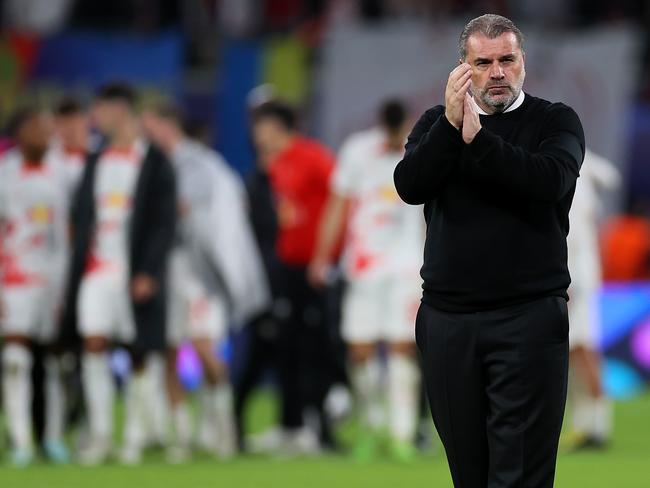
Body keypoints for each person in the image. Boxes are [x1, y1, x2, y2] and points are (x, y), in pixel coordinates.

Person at [393, 14, 585, 487]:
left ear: (523, 63)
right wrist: (452, 128)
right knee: (468, 474)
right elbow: (409, 185)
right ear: (464, 68)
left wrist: (478, 141)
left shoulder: (554, 120)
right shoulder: (436, 124)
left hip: (526, 318)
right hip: (447, 322)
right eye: (484, 62)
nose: (497, 71)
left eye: (507, 60)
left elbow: (549, 180)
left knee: (519, 475)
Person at [141, 102, 269, 462]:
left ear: (168, 126)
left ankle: (221, 424)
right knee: (170, 351)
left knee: (202, 347)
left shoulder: (198, 165)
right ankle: (181, 436)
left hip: (199, 275)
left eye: (151, 128)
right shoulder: (150, 166)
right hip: (167, 272)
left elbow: (201, 218)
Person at [60, 83, 177, 465]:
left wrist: (148, 271)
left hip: (134, 271)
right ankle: (101, 434)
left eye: (101, 109)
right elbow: (81, 215)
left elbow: (163, 223)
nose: (96, 117)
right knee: (93, 344)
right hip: (97, 270)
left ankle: (135, 435)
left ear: (121, 110)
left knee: (139, 351)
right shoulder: (97, 160)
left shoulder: (155, 162)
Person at [309, 99, 423, 462]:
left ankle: (402, 433)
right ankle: (372, 425)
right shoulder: (357, 152)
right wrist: (321, 256)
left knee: (403, 348)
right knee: (359, 350)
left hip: (407, 267)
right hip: (362, 266)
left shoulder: (421, 150)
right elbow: (337, 205)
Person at [248, 100, 336, 454]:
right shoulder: (274, 165)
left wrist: (325, 257)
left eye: (261, 126)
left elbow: (339, 201)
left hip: (313, 269)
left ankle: (319, 427)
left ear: (277, 127)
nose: (256, 134)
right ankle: (291, 425)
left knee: (317, 350)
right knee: (286, 347)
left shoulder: (313, 157)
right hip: (286, 268)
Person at [0, 108, 70, 466]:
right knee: (15, 357)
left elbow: (67, 234)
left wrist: (64, 285)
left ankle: (53, 436)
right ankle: (20, 440)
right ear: (21, 132)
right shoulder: (5, 174)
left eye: (48, 129)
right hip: (14, 278)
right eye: (38, 129)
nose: (46, 135)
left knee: (54, 360)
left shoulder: (61, 173)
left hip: (52, 279)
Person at [565, 149, 620, 450]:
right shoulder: (580, 166)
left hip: (577, 278)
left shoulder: (569, 179)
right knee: (575, 350)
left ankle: (598, 425)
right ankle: (586, 424)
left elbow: (570, 236)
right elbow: (612, 176)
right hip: (582, 274)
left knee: (584, 348)